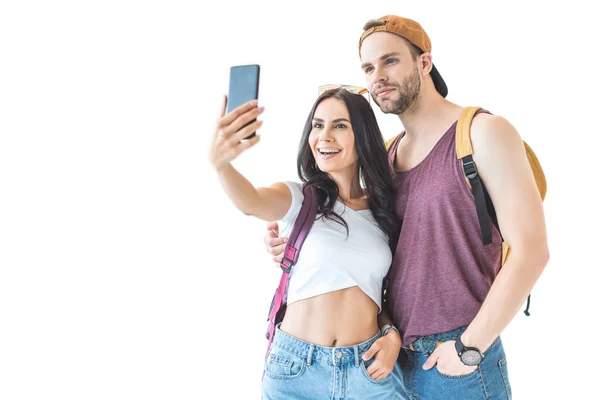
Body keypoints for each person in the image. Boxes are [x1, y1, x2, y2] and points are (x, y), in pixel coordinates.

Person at [264, 15, 549, 400]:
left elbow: (532, 251)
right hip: (385, 363)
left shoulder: (483, 132)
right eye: (368, 67)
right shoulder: (386, 156)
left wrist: (469, 348)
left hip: (456, 364)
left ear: (424, 63)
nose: (377, 75)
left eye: (390, 60)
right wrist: (297, 241)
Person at [209, 87, 404, 399]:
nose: (324, 136)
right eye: (317, 125)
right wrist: (222, 166)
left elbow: (380, 293)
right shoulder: (300, 198)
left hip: (368, 369)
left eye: (340, 125)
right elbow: (252, 201)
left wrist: (392, 334)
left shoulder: (385, 213)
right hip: (297, 371)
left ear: (363, 136)